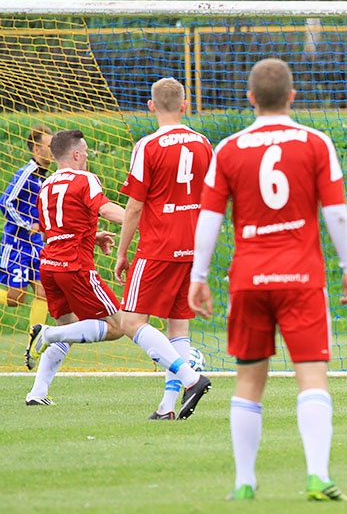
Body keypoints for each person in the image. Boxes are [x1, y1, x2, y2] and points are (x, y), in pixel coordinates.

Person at [188, 57, 347, 502]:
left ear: (250, 98)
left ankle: (244, 482)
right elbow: (336, 213)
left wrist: (199, 275)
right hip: (302, 277)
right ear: (292, 96)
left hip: (248, 278)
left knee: (248, 381)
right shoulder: (316, 143)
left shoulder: (228, 148)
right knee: (312, 377)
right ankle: (317, 477)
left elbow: (209, 217)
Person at [24, 130, 212, 420]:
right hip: (76, 266)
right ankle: (48, 334)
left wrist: (92, 235)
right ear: (75, 155)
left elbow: (54, 227)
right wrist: (141, 219)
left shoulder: (46, 184)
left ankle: (37, 392)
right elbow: (106, 208)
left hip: (49, 264)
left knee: (68, 323)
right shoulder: (84, 179)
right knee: (116, 325)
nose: (87, 156)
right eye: (85, 151)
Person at [113, 77, 214, 420]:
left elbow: (135, 206)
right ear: (185, 105)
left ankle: (191, 378)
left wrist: (123, 251)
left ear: (151, 106)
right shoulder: (202, 143)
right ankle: (168, 407)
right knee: (178, 326)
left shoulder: (148, 146)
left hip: (159, 247)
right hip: (194, 247)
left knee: (130, 321)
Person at [0, 125, 53, 348]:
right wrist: (25, 224)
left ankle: (34, 341)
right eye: (49, 146)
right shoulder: (26, 173)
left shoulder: (45, 178)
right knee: (16, 299)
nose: (53, 150)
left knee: (44, 293)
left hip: (35, 246)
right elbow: (5, 201)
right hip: (17, 244)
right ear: (36, 149)